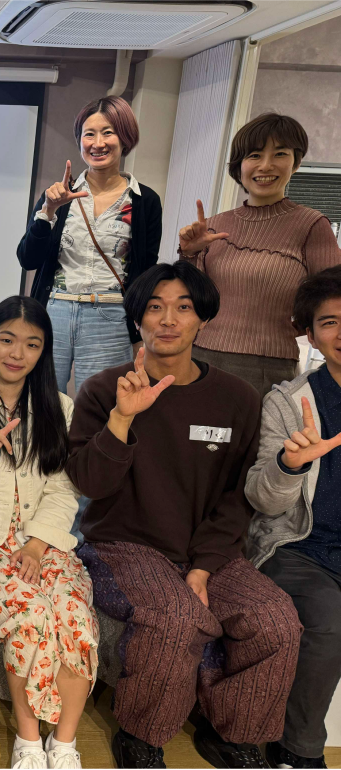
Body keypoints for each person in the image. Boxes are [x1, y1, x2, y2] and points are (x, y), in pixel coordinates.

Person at [67, 260, 301, 769]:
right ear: (138, 319)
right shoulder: (104, 389)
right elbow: (89, 484)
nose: (168, 319)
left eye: (184, 307)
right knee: (175, 618)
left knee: (276, 620)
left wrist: (203, 567)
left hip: (210, 550)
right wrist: (122, 419)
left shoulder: (237, 398)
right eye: (155, 307)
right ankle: (141, 736)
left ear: (203, 319)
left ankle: (233, 735)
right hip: (122, 547)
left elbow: (237, 496)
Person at [0, 296, 96, 770]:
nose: (17, 353)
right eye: (7, 339)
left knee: (73, 613)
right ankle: (28, 742)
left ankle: (64, 744)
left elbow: (64, 488)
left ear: (43, 351)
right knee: (31, 612)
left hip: (42, 541)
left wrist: (36, 544)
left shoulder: (60, 407)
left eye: (32, 344)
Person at [246, 266, 341, 770]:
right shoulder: (288, 402)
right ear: (311, 334)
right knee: (328, 621)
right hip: (299, 547)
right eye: (330, 322)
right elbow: (264, 502)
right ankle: (298, 752)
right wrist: (290, 465)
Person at [179, 112, 341, 397]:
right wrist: (189, 254)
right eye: (254, 155)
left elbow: (333, 296)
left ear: (296, 162)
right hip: (200, 357)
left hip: (268, 367)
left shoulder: (311, 225)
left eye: (280, 153)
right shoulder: (214, 225)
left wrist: (296, 329)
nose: (266, 165)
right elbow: (191, 300)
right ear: (239, 165)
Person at [16, 95, 163, 394]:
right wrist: (48, 212)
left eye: (108, 132)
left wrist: (140, 328)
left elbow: (145, 272)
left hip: (110, 316)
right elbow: (27, 259)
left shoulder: (144, 201)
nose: (98, 143)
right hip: (54, 311)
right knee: (42, 401)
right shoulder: (58, 195)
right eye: (89, 134)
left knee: (98, 405)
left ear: (125, 137)